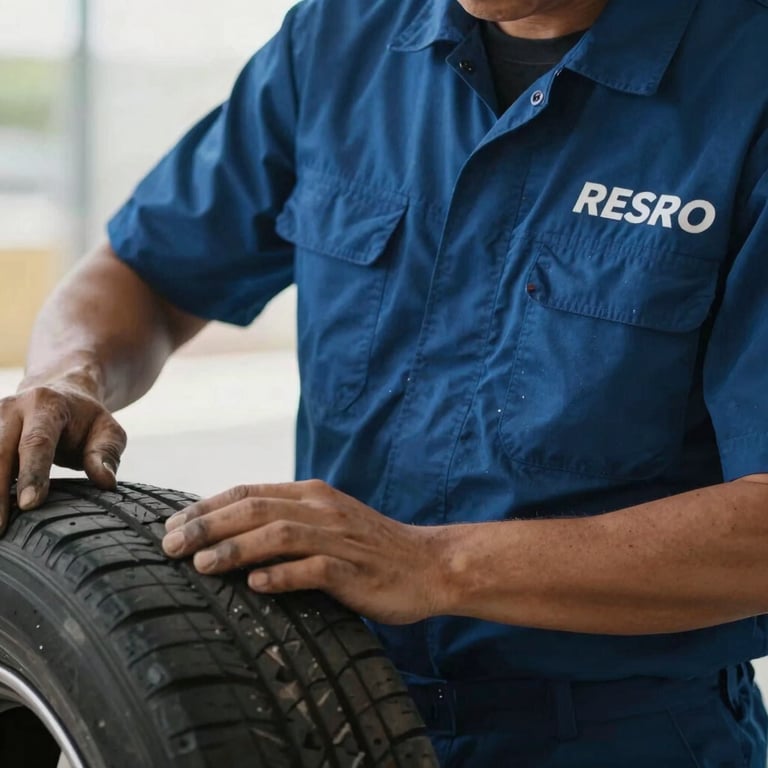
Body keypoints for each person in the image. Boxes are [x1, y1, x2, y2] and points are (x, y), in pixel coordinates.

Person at [2, 0, 768, 764]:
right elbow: (146, 268)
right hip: (331, 709)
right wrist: (69, 375)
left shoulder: (747, 83)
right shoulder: (344, 36)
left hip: (627, 735)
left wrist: (433, 564)